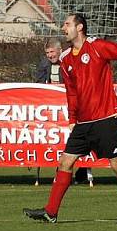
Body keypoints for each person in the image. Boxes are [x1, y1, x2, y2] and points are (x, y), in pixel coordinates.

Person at [23, 13, 117, 223]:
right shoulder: (66, 59)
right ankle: (50, 212)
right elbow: (71, 92)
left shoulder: (97, 46)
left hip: (106, 118)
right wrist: (72, 118)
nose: (63, 28)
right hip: (83, 124)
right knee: (65, 163)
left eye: (67, 24)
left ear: (80, 27)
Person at [35, 37, 92, 185]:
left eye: (52, 52)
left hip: (73, 109)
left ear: (60, 50)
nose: (49, 55)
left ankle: (83, 172)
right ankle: (61, 174)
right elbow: (38, 85)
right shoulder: (43, 64)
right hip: (52, 111)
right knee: (55, 141)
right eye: (47, 53)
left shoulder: (70, 61)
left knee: (79, 140)